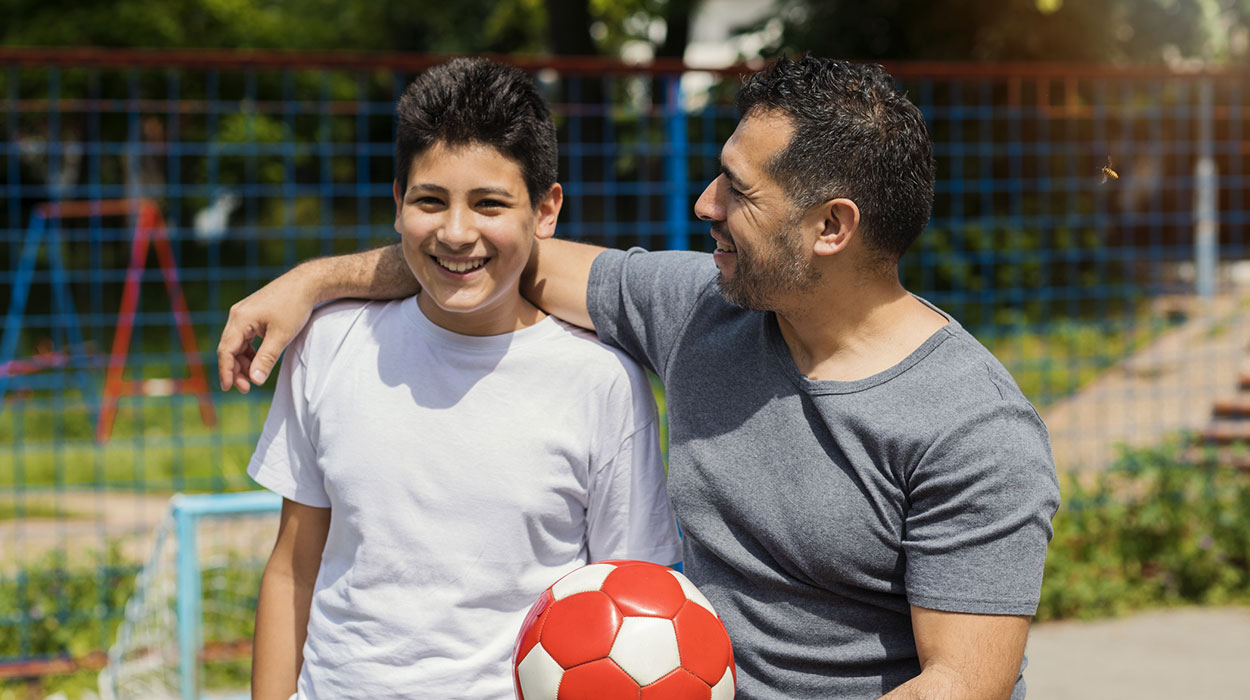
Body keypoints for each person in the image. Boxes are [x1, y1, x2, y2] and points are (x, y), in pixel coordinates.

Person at [223, 56, 1061, 700]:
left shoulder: (972, 429)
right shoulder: (703, 307)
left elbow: (962, 684)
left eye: (738, 190)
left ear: (831, 226)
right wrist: (316, 282)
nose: (704, 204)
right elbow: (487, 255)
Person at [244, 57, 681, 700]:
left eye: (489, 204)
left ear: (546, 210)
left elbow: (628, 604)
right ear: (398, 206)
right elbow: (291, 568)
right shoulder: (328, 344)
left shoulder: (602, 382)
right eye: (430, 200)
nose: (456, 232)